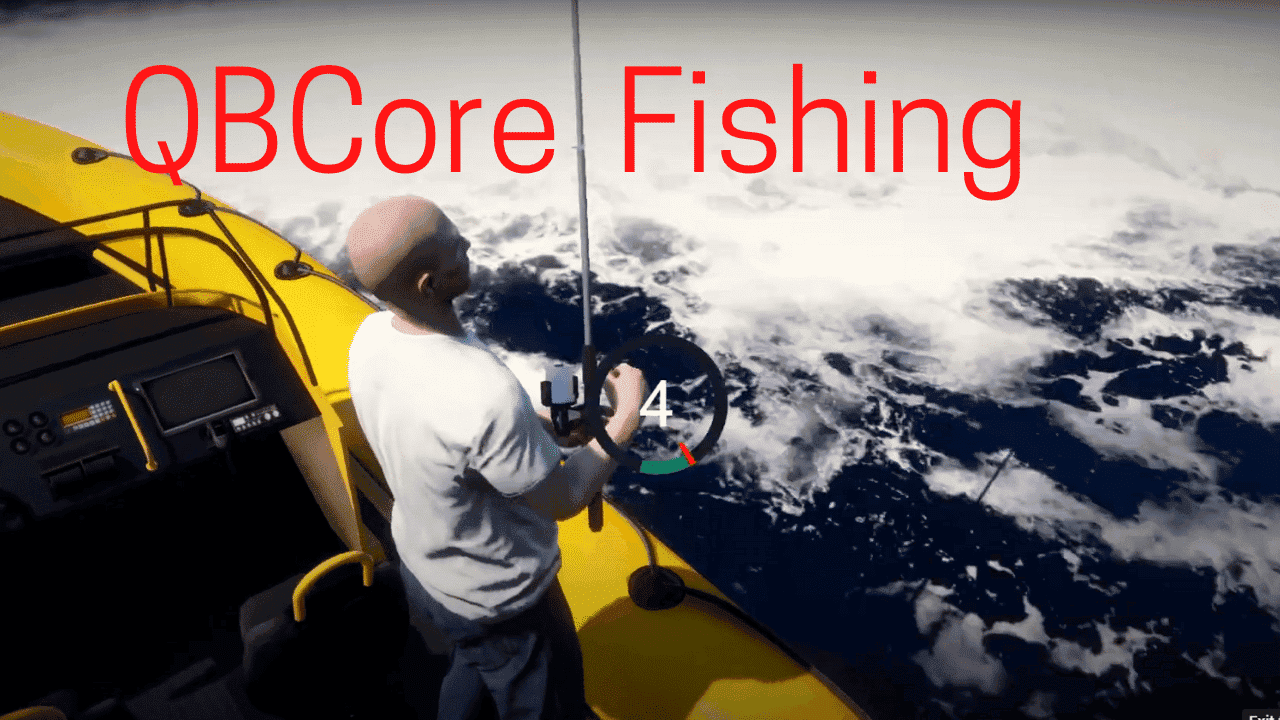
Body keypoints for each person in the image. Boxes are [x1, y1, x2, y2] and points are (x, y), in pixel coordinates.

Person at [344, 195, 646, 720]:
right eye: (454, 246)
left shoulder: (370, 337)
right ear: (429, 286)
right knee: (543, 704)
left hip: (427, 570)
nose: (467, 244)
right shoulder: (487, 395)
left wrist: (536, 425)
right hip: (500, 601)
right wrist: (626, 417)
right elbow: (563, 498)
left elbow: (450, 429)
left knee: (474, 662)